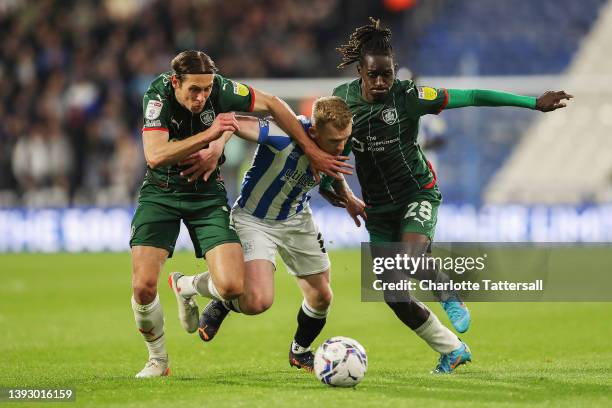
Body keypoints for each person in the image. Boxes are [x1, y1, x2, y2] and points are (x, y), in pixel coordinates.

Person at [320, 18, 573, 374]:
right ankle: (452, 350)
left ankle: (448, 291)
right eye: (373, 75)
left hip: (416, 194)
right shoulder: (342, 103)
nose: (381, 82)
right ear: (360, 70)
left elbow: (471, 97)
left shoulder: (409, 95)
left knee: (408, 260)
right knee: (393, 294)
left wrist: (532, 102)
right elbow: (329, 156)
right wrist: (342, 194)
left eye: (387, 74)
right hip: (378, 208)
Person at [130, 50, 351, 378]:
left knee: (235, 287)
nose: (203, 97)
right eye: (194, 90)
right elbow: (155, 155)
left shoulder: (220, 89)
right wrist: (212, 135)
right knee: (144, 286)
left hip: (206, 194)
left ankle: (188, 286)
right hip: (162, 192)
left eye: (207, 89)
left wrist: (311, 150)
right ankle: (158, 361)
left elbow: (273, 103)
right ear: (176, 82)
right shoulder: (158, 98)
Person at [170, 96, 360, 372]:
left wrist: (349, 196)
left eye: (345, 139)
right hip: (254, 220)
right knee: (257, 301)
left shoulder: (341, 139)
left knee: (322, 296)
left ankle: (300, 351)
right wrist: (215, 147)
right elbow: (231, 123)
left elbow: (333, 167)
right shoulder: (282, 133)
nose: (341, 146)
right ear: (315, 131)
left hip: (296, 218)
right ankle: (187, 285)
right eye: (334, 141)